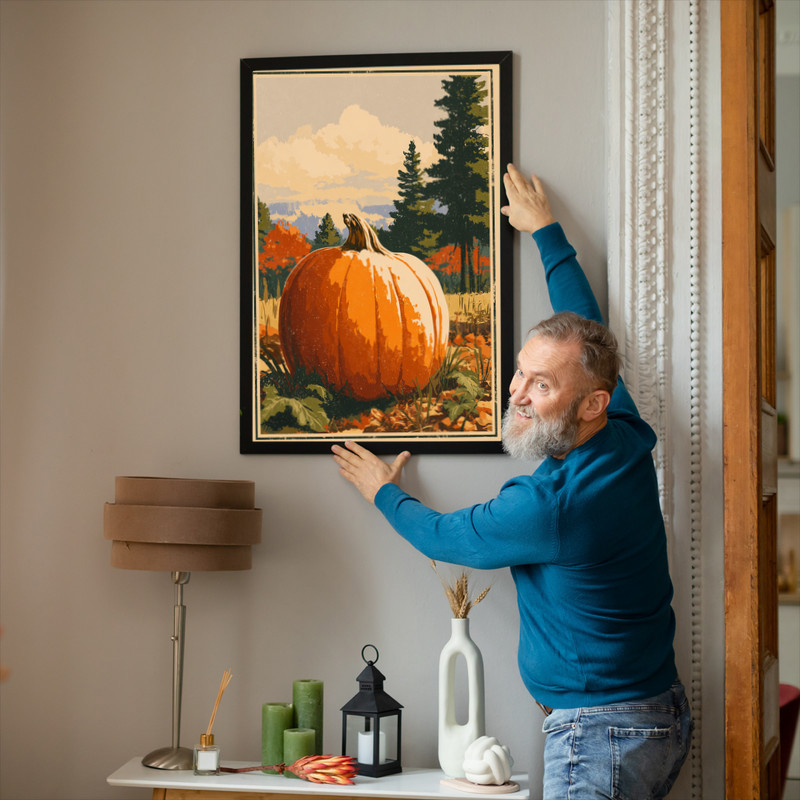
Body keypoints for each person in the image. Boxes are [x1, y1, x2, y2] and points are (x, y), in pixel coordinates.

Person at [331, 164, 692, 799]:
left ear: (590, 405)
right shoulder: (625, 437)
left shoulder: (551, 506)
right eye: (520, 373)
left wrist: (382, 490)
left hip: (602, 737)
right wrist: (546, 232)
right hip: (650, 716)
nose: (516, 395)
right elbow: (584, 329)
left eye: (540, 386)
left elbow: (448, 537)